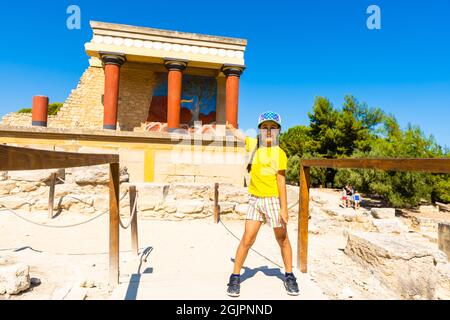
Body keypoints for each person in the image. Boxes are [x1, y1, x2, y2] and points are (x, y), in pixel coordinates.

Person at [225, 111, 300, 297]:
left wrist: (284, 208)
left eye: (273, 127)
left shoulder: (280, 154)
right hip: (255, 200)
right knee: (247, 239)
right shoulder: (254, 145)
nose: (268, 131)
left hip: (273, 200)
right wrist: (230, 127)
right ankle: (235, 277)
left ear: (279, 131)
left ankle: (289, 276)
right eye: (265, 127)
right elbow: (239, 134)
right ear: (259, 130)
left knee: (282, 239)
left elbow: (281, 181)